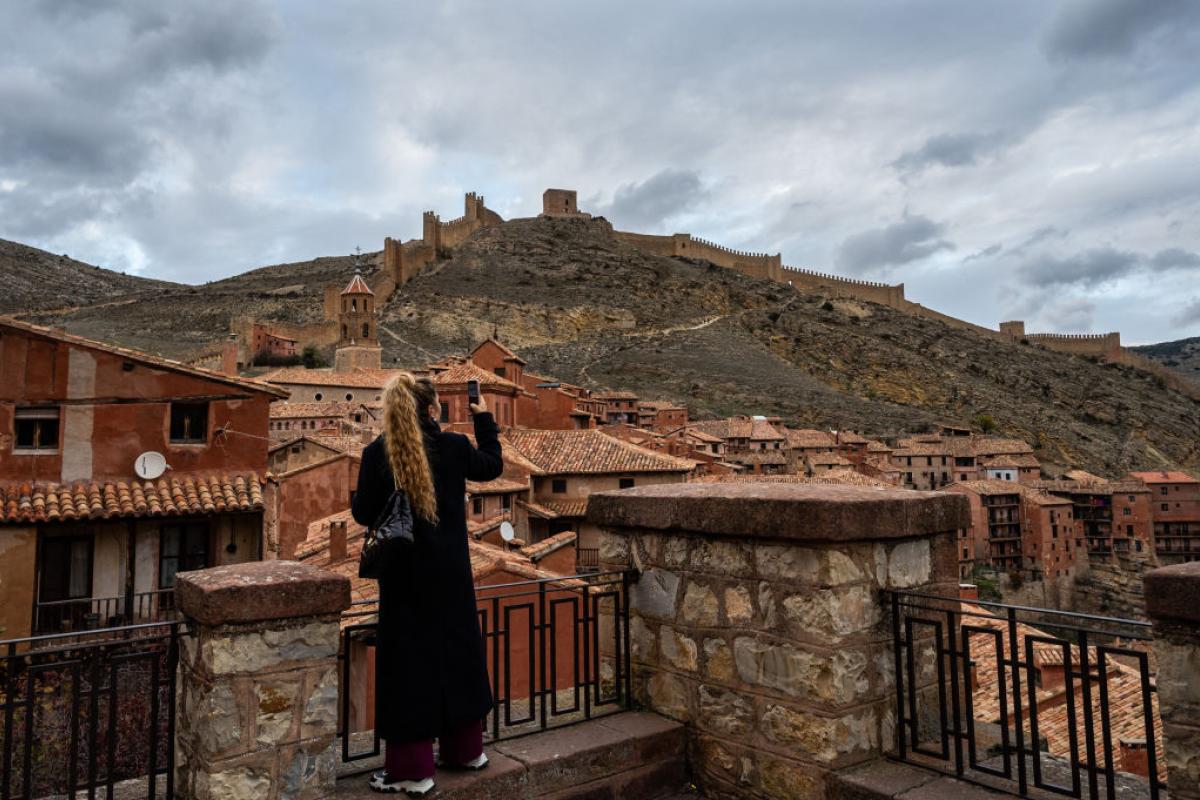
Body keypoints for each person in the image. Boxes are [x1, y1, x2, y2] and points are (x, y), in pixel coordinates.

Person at [351, 373, 503, 795]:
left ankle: (412, 769)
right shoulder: (454, 447)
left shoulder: (377, 453)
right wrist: (483, 417)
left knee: (409, 668)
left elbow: (363, 514)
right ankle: (466, 750)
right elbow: (492, 465)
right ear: (433, 407)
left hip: (405, 583)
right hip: (452, 577)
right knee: (458, 656)